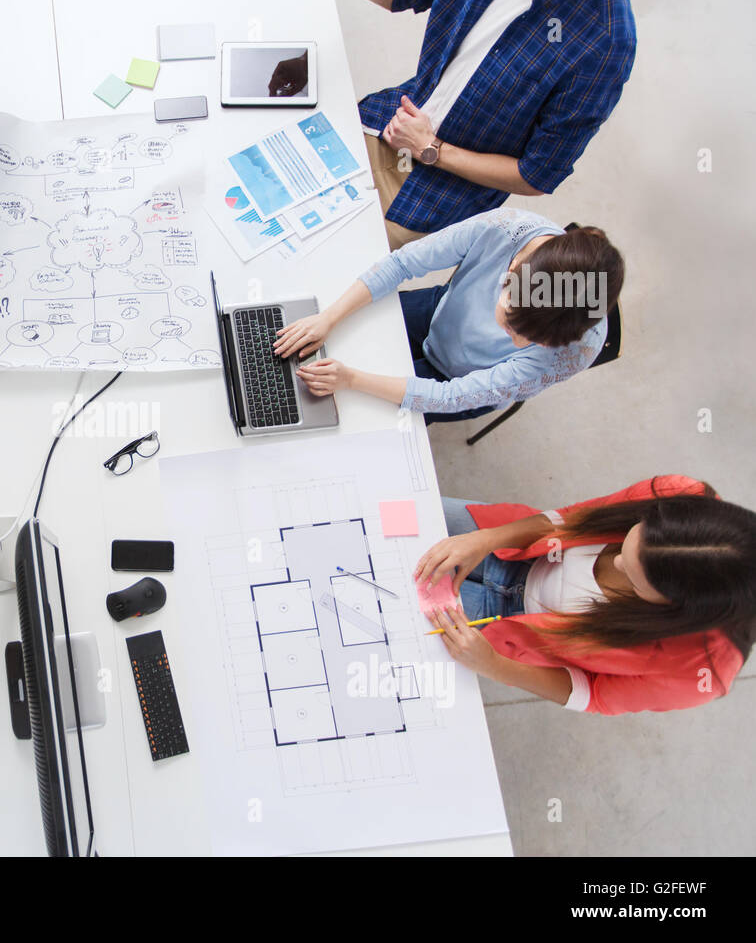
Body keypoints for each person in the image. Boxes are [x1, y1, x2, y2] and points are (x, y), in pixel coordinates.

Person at [414, 476, 755, 715]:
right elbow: (571, 519)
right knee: (397, 510)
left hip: (508, 629)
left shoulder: (698, 674)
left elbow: (593, 694)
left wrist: (492, 666)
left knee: (398, 619)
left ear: (678, 605)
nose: (616, 561)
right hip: (516, 545)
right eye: (624, 544)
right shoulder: (681, 493)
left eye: (633, 580)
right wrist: (487, 539)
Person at [273, 208, 623, 423]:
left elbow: (452, 396)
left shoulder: (575, 351)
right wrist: (329, 318)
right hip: (438, 313)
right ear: (512, 267)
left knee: (357, 420)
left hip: (459, 381)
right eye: (513, 322)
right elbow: (403, 262)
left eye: (532, 341)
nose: (515, 342)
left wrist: (352, 380)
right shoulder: (503, 228)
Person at [354, 0, 636, 249]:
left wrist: (430, 149)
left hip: (421, 196)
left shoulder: (607, 39)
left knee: (325, 266)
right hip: (376, 121)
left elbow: (535, 175)